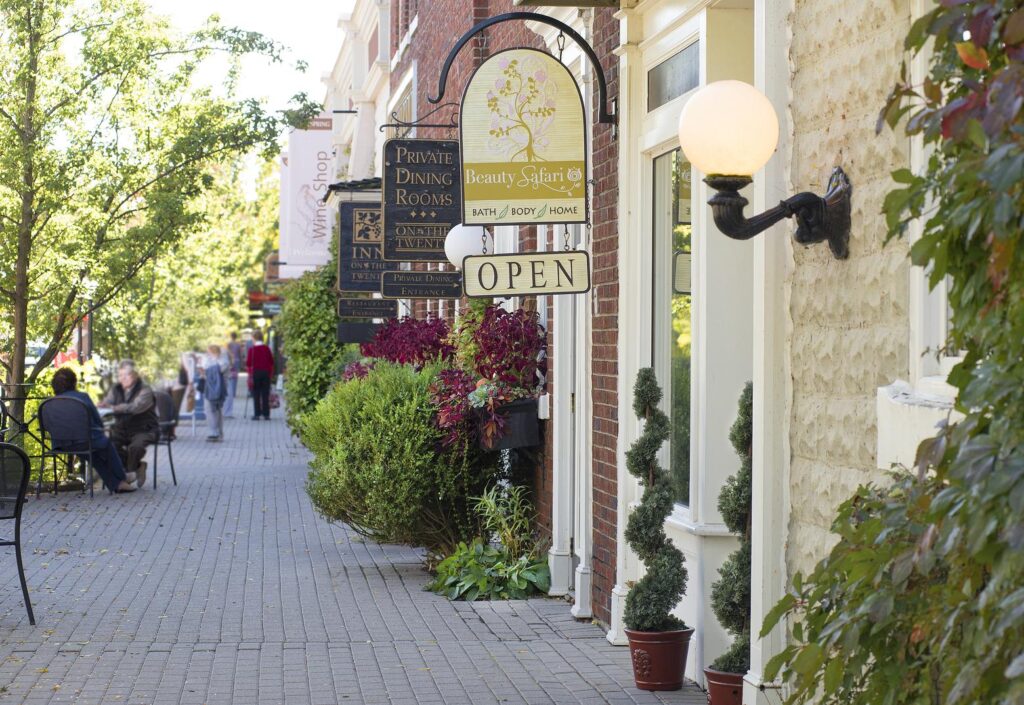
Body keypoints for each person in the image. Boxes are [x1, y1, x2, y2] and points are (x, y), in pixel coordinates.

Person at [50, 368, 136, 493]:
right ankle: (123, 476)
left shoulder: (50, 403)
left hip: (61, 444)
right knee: (106, 444)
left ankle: (118, 485)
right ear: (73, 382)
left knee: (94, 457)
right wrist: (100, 429)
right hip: (84, 441)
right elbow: (97, 420)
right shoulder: (82, 397)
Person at [100, 360, 159, 487]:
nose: (122, 379)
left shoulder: (145, 390)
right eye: (120, 375)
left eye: (126, 375)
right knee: (108, 445)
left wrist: (115, 408)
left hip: (144, 429)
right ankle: (138, 467)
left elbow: (135, 407)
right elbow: (107, 402)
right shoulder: (116, 388)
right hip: (122, 429)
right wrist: (102, 404)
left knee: (135, 447)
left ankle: (128, 475)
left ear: (135, 375)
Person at [201, 344, 228, 441]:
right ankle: (218, 433)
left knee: (211, 409)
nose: (207, 354)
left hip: (215, 390)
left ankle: (214, 432)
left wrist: (205, 372)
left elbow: (206, 373)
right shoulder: (222, 361)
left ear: (212, 352)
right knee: (216, 410)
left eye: (208, 352)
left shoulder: (221, 361)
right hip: (217, 389)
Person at [245, 330, 274, 420]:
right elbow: (271, 361)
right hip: (266, 373)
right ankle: (266, 414)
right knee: (265, 393)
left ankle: (257, 414)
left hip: (256, 373)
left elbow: (248, 363)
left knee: (256, 393)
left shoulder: (252, 350)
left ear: (254, 338)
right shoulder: (266, 348)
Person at [224, 332, 242, 418]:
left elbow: (227, 354)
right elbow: (240, 354)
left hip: (230, 362)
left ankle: (232, 393)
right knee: (235, 378)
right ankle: (233, 392)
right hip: (236, 361)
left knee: (231, 378)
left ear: (231, 336)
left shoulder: (228, 344)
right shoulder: (238, 345)